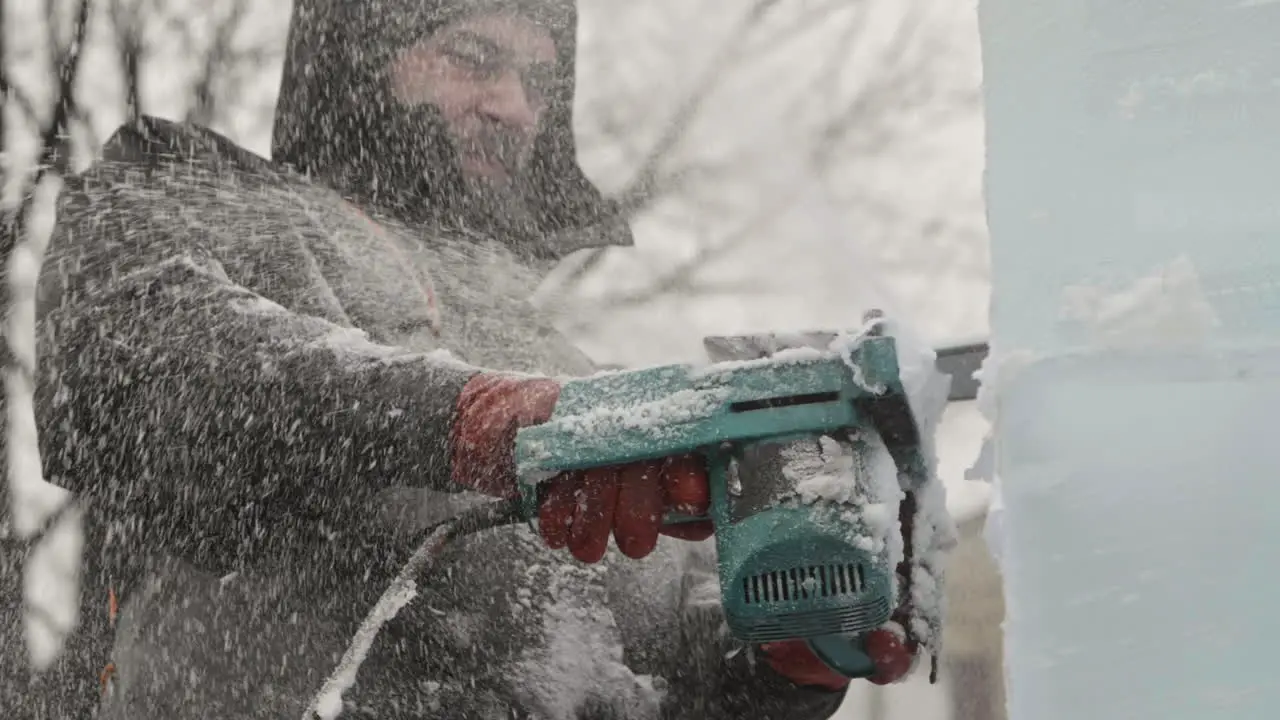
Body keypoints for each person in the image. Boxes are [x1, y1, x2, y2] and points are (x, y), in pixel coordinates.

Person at [18, 0, 918, 717]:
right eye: (474, 57)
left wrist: (775, 661)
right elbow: (122, 360)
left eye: (538, 77)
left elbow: (660, 672)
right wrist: (461, 417)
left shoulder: (568, 369)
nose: (516, 106)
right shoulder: (192, 194)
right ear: (359, 57)